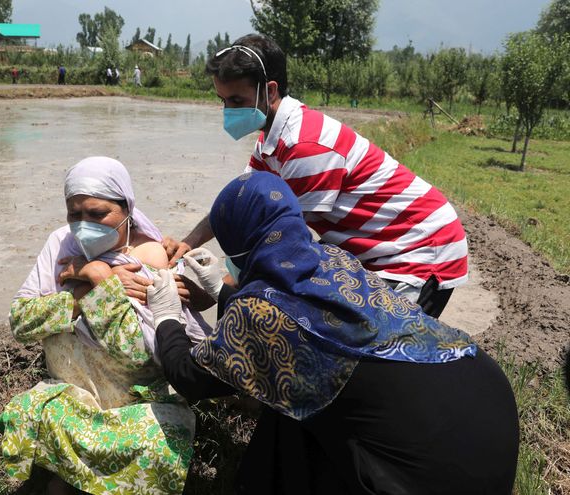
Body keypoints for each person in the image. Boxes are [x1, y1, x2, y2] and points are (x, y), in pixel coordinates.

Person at [147, 172, 519, 494]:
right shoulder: (333, 259)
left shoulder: (256, 313)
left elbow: (190, 378)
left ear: (236, 242)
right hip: (487, 408)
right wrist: (222, 290)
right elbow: (299, 318)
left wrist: (166, 317)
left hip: (431, 475)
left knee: (287, 411)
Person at [164, 34, 468, 317]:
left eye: (236, 101)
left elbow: (281, 246)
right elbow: (238, 204)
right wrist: (189, 242)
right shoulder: (271, 138)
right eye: (223, 101)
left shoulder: (306, 147)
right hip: (373, 249)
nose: (228, 111)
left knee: (386, 351)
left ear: (269, 91)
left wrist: (217, 291)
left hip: (416, 252)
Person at [0, 157, 213, 495]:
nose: (83, 225)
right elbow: (21, 323)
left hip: (134, 408)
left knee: (158, 443)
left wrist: (100, 281)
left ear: (127, 209)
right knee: (32, 414)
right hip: (73, 399)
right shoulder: (60, 246)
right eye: (74, 214)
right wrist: (87, 287)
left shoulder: (152, 259)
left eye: (97, 214)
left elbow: (135, 353)